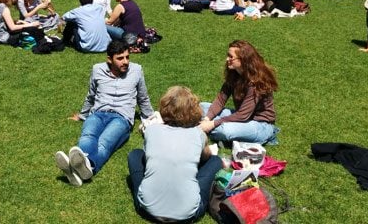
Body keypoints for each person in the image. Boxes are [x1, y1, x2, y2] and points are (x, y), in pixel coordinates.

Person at [55, 40, 154, 187]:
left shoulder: (136, 70)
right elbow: (91, 95)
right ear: (109, 59)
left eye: (127, 57)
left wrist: (151, 119)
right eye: (120, 58)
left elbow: (143, 98)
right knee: (88, 136)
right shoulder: (97, 69)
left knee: (104, 143)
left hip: (121, 118)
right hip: (98, 113)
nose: (125, 62)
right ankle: (81, 168)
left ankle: (85, 166)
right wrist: (82, 115)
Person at [128, 86, 222, 222]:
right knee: (215, 161)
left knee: (135, 154)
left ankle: (148, 190)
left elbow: (147, 155)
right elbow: (205, 157)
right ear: (194, 110)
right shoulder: (198, 134)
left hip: (147, 209)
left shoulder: (152, 130)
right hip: (188, 214)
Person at [200, 40, 279, 144]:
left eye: (231, 57)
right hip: (243, 117)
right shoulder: (234, 75)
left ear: (243, 59)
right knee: (201, 107)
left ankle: (202, 128)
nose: (227, 59)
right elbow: (220, 100)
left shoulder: (255, 82)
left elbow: (242, 115)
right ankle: (203, 126)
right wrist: (206, 119)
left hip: (260, 125)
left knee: (224, 130)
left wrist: (212, 124)